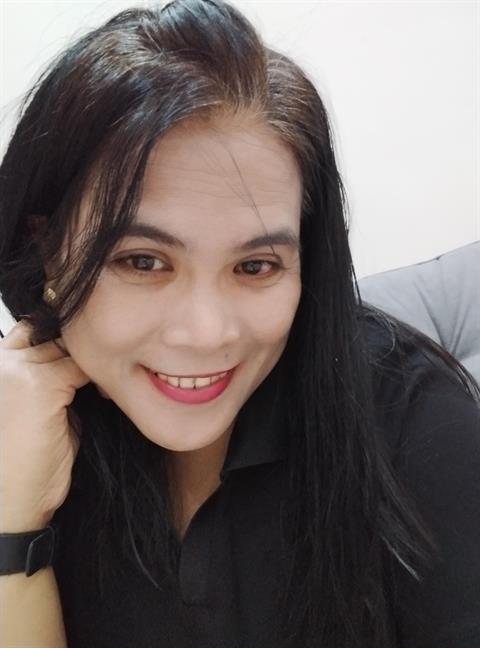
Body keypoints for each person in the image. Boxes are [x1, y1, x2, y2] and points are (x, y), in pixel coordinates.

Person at [0, 1, 479, 647]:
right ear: (48, 252)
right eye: (142, 261)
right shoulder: (30, 424)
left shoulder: (415, 423)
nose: (206, 333)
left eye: (256, 266)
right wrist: (15, 518)